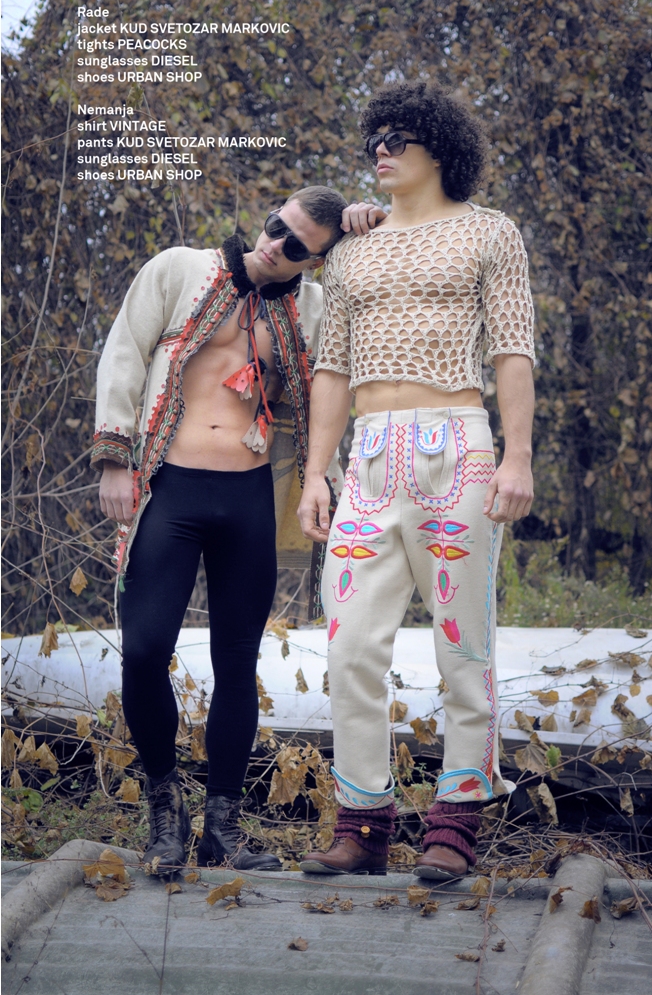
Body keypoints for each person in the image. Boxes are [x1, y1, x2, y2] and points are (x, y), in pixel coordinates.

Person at [92, 188, 381, 873]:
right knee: (144, 649)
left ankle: (222, 825)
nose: (275, 244)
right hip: (170, 489)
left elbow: (336, 380)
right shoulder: (179, 268)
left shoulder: (316, 308)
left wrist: (378, 222)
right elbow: (124, 353)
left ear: (316, 260)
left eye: (296, 245)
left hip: (249, 497)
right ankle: (165, 808)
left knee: (236, 662)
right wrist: (114, 458)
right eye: (277, 226)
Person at [297, 81, 536, 880]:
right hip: (368, 459)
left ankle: (455, 818)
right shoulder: (352, 250)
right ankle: (364, 822)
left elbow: (512, 350)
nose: (381, 149)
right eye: (375, 137)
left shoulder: (490, 232)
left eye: (399, 137)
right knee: (349, 645)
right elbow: (331, 369)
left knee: (463, 645)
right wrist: (316, 473)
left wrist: (517, 456)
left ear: (440, 148)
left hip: (457, 451)